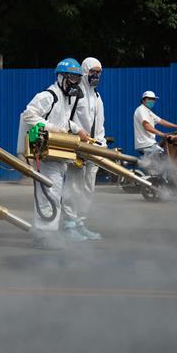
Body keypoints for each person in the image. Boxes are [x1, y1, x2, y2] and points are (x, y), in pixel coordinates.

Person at [20, 58, 87, 250]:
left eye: (77, 79)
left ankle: (47, 231)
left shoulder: (65, 99)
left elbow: (64, 121)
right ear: (61, 77)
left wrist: (77, 129)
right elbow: (29, 114)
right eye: (72, 78)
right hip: (45, 152)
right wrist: (52, 129)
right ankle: (44, 235)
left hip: (58, 152)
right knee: (48, 193)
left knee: (55, 193)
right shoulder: (49, 95)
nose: (75, 83)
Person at [61, 57, 104, 242]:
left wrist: (101, 144)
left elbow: (100, 123)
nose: (96, 75)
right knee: (73, 186)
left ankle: (80, 222)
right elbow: (64, 117)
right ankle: (68, 223)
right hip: (77, 147)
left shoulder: (97, 96)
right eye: (93, 71)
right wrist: (77, 131)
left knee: (88, 188)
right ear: (85, 71)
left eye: (99, 72)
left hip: (94, 148)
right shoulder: (74, 94)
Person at [133, 90, 177, 162]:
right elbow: (147, 126)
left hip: (150, 142)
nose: (153, 101)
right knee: (163, 158)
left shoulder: (148, 111)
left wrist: (176, 126)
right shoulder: (141, 110)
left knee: (161, 159)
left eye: (154, 100)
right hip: (145, 143)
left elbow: (161, 121)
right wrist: (162, 134)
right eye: (151, 99)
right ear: (144, 100)